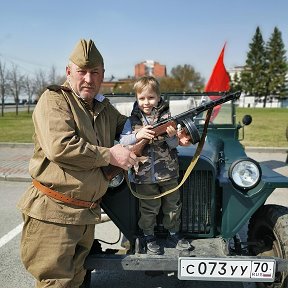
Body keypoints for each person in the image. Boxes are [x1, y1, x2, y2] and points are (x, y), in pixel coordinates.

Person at [17, 39, 137, 287]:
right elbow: (61, 146)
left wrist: (161, 128)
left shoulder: (103, 108)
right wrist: (110, 155)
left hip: (85, 214)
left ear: (102, 75)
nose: (88, 79)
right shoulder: (55, 100)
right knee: (56, 282)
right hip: (54, 213)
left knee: (77, 280)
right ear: (68, 72)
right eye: (82, 72)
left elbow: (129, 126)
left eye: (95, 73)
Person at [119, 76, 191, 254]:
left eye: (151, 97)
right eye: (142, 98)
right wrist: (139, 135)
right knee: (149, 208)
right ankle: (148, 236)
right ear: (136, 98)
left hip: (168, 172)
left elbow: (174, 145)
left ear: (159, 97)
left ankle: (173, 233)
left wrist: (172, 136)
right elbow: (123, 140)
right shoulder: (133, 120)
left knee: (173, 205)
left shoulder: (169, 118)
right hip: (143, 174)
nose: (146, 102)